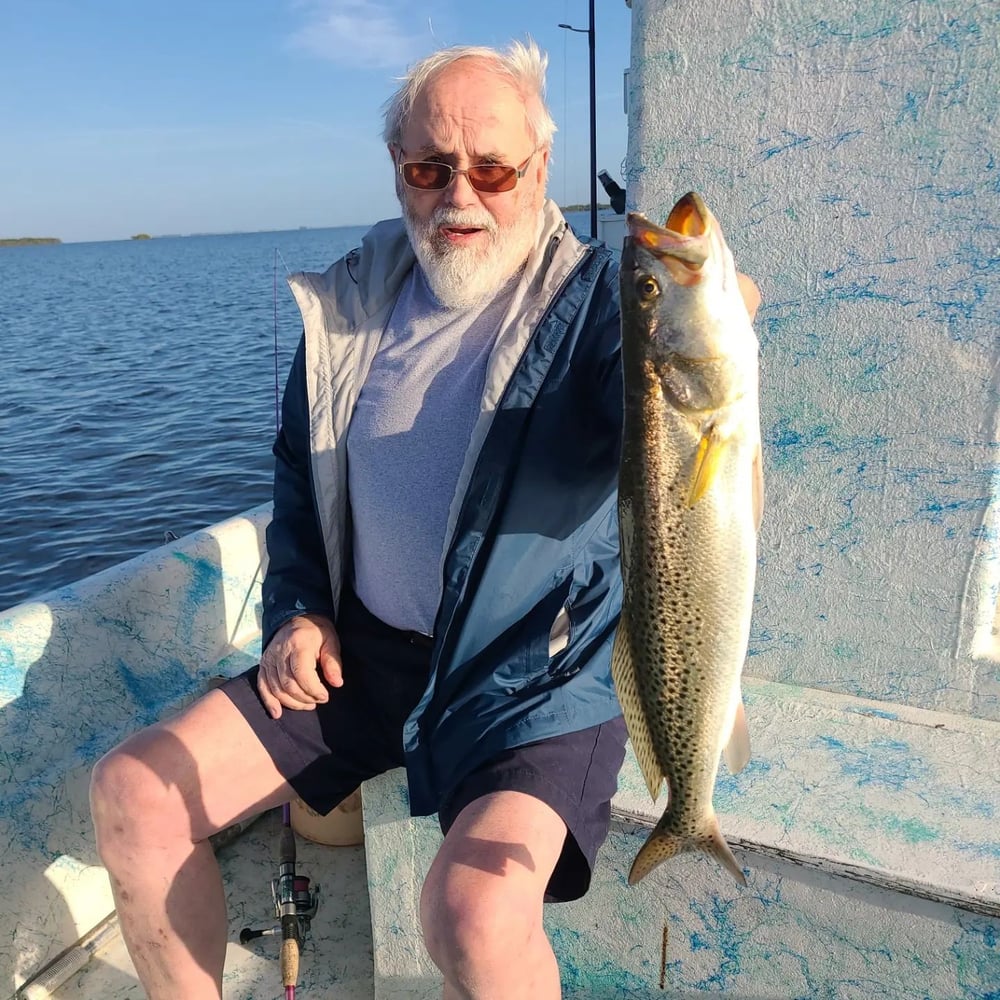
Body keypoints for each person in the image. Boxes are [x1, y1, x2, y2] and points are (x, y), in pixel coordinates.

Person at [90, 39, 760, 1000]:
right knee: (133, 797)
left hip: (533, 672)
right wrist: (297, 611)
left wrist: (704, 317)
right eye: (430, 167)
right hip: (361, 659)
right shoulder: (351, 302)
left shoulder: (601, 312)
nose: (463, 194)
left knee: (474, 916)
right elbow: (298, 477)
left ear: (540, 172)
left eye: (493, 168)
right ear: (398, 171)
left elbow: (658, 406)